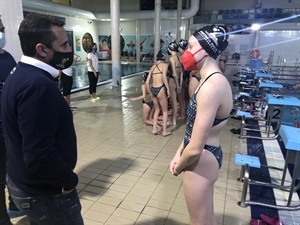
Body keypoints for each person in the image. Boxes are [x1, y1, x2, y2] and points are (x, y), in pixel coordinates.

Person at [1, 13, 84, 225]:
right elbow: (39, 154)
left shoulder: (18, 72)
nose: (69, 50)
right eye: (64, 45)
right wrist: (68, 180)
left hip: (24, 183)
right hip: (45, 192)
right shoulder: (37, 87)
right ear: (42, 49)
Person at [169, 25, 232, 225]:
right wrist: (179, 152)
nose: (185, 51)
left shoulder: (212, 86)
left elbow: (195, 148)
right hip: (205, 154)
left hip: (201, 158)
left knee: (199, 221)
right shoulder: (207, 80)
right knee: (206, 217)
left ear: (204, 49)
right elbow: (192, 126)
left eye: (189, 46)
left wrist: (180, 165)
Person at [0, 16, 24, 225]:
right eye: (0, 29)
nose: (3, 33)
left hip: (10, 128)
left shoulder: (7, 57)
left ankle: (15, 204)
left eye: (3, 28)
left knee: (13, 167)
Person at [146, 51, 171, 136]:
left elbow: (147, 82)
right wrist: (168, 89)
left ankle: (154, 129)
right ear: (163, 58)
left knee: (157, 109)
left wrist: (150, 92)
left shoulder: (153, 67)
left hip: (153, 89)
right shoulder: (165, 65)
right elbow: (164, 77)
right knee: (165, 111)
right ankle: (164, 131)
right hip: (160, 89)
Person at [167, 42, 183, 125]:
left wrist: (177, 85)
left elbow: (174, 73)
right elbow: (181, 73)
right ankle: (173, 118)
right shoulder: (179, 57)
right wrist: (180, 84)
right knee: (175, 100)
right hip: (178, 80)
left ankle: (173, 120)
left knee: (173, 101)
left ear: (170, 49)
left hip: (173, 81)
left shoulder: (171, 59)